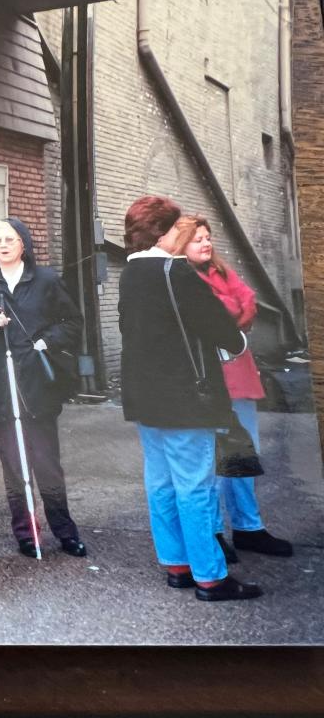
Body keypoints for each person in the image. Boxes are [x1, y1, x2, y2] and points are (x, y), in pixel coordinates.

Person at [118, 196, 261, 601]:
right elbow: (221, 329)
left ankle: (177, 566)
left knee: (160, 483)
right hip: (186, 399)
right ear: (163, 231)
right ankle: (211, 577)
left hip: (145, 399)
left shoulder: (130, 273)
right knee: (195, 487)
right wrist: (236, 343)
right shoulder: (175, 271)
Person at [0, 219, 87, 558]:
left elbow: (72, 322)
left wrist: (45, 342)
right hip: (1, 389)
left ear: (23, 243)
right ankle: (26, 534)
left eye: (9, 238)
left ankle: (65, 531)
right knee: (14, 468)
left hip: (38, 388)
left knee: (47, 465)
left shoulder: (47, 281)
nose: (2, 244)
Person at [175, 215, 293, 559]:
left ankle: (248, 527)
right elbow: (222, 311)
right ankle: (212, 533)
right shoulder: (180, 278)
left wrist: (229, 318)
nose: (206, 244)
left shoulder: (222, 272)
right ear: (181, 244)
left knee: (242, 454)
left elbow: (248, 301)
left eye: (208, 237)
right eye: (197, 239)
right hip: (205, 379)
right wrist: (229, 315)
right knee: (210, 459)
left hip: (237, 375)